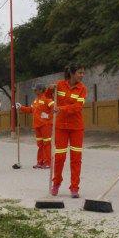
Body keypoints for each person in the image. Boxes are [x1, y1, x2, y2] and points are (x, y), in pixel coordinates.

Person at [49, 64, 87, 198]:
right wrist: (50, 89)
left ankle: (75, 187)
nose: (82, 75)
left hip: (76, 128)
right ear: (72, 73)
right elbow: (48, 96)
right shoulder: (59, 85)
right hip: (61, 127)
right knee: (59, 157)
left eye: (83, 73)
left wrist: (61, 109)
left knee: (76, 158)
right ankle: (56, 183)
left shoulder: (83, 89)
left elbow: (78, 107)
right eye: (80, 73)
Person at [16, 83, 54, 169]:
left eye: (36, 89)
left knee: (47, 144)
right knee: (40, 145)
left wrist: (49, 116)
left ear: (41, 90)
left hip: (46, 125)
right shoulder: (36, 100)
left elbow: (55, 108)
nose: (34, 91)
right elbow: (30, 110)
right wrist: (21, 107)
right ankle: (40, 162)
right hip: (37, 126)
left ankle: (48, 163)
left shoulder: (47, 99)